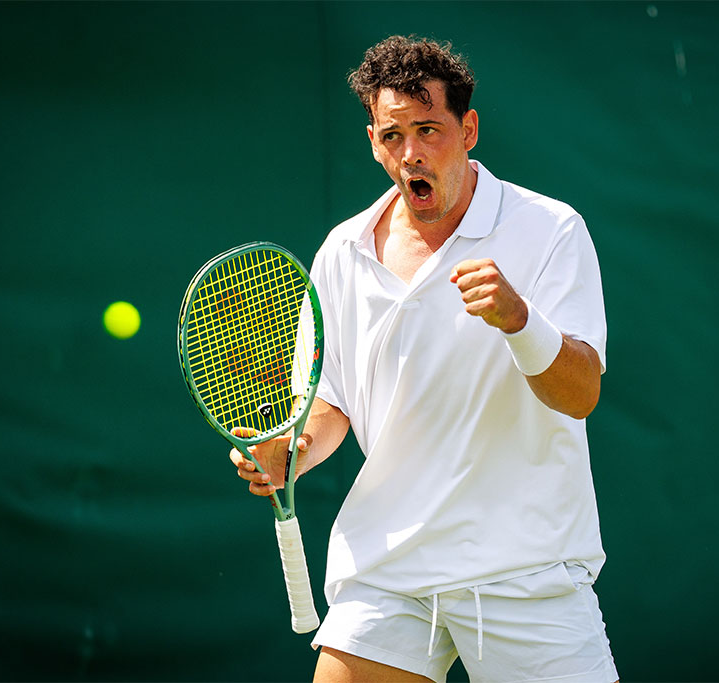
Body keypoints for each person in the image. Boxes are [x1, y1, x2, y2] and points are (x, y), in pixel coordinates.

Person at [230, 35, 617, 683]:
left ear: (469, 130)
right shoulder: (343, 251)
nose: (410, 152)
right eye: (392, 135)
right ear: (373, 141)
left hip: (526, 568)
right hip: (389, 569)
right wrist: (290, 452)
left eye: (428, 130)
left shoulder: (550, 229)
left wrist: (519, 321)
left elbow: (580, 395)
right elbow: (330, 400)